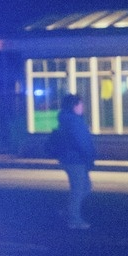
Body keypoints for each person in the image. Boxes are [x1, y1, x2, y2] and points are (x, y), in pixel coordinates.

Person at [57, 93, 96, 229]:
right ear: (74, 106)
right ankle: (74, 219)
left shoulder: (68, 120)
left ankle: (69, 211)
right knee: (79, 190)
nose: (83, 106)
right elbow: (82, 142)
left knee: (85, 187)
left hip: (72, 159)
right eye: (80, 104)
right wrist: (90, 157)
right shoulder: (74, 121)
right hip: (76, 160)